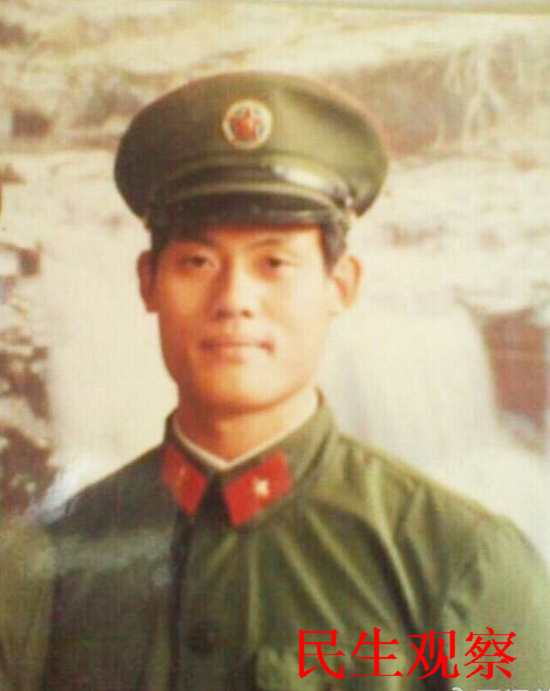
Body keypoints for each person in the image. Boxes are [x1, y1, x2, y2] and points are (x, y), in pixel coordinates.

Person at [1, 71, 549, 691]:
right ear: (149, 282)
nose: (235, 299)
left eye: (274, 263)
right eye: (198, 262)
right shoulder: (45, 568)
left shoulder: (460, 566)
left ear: (340, 285)